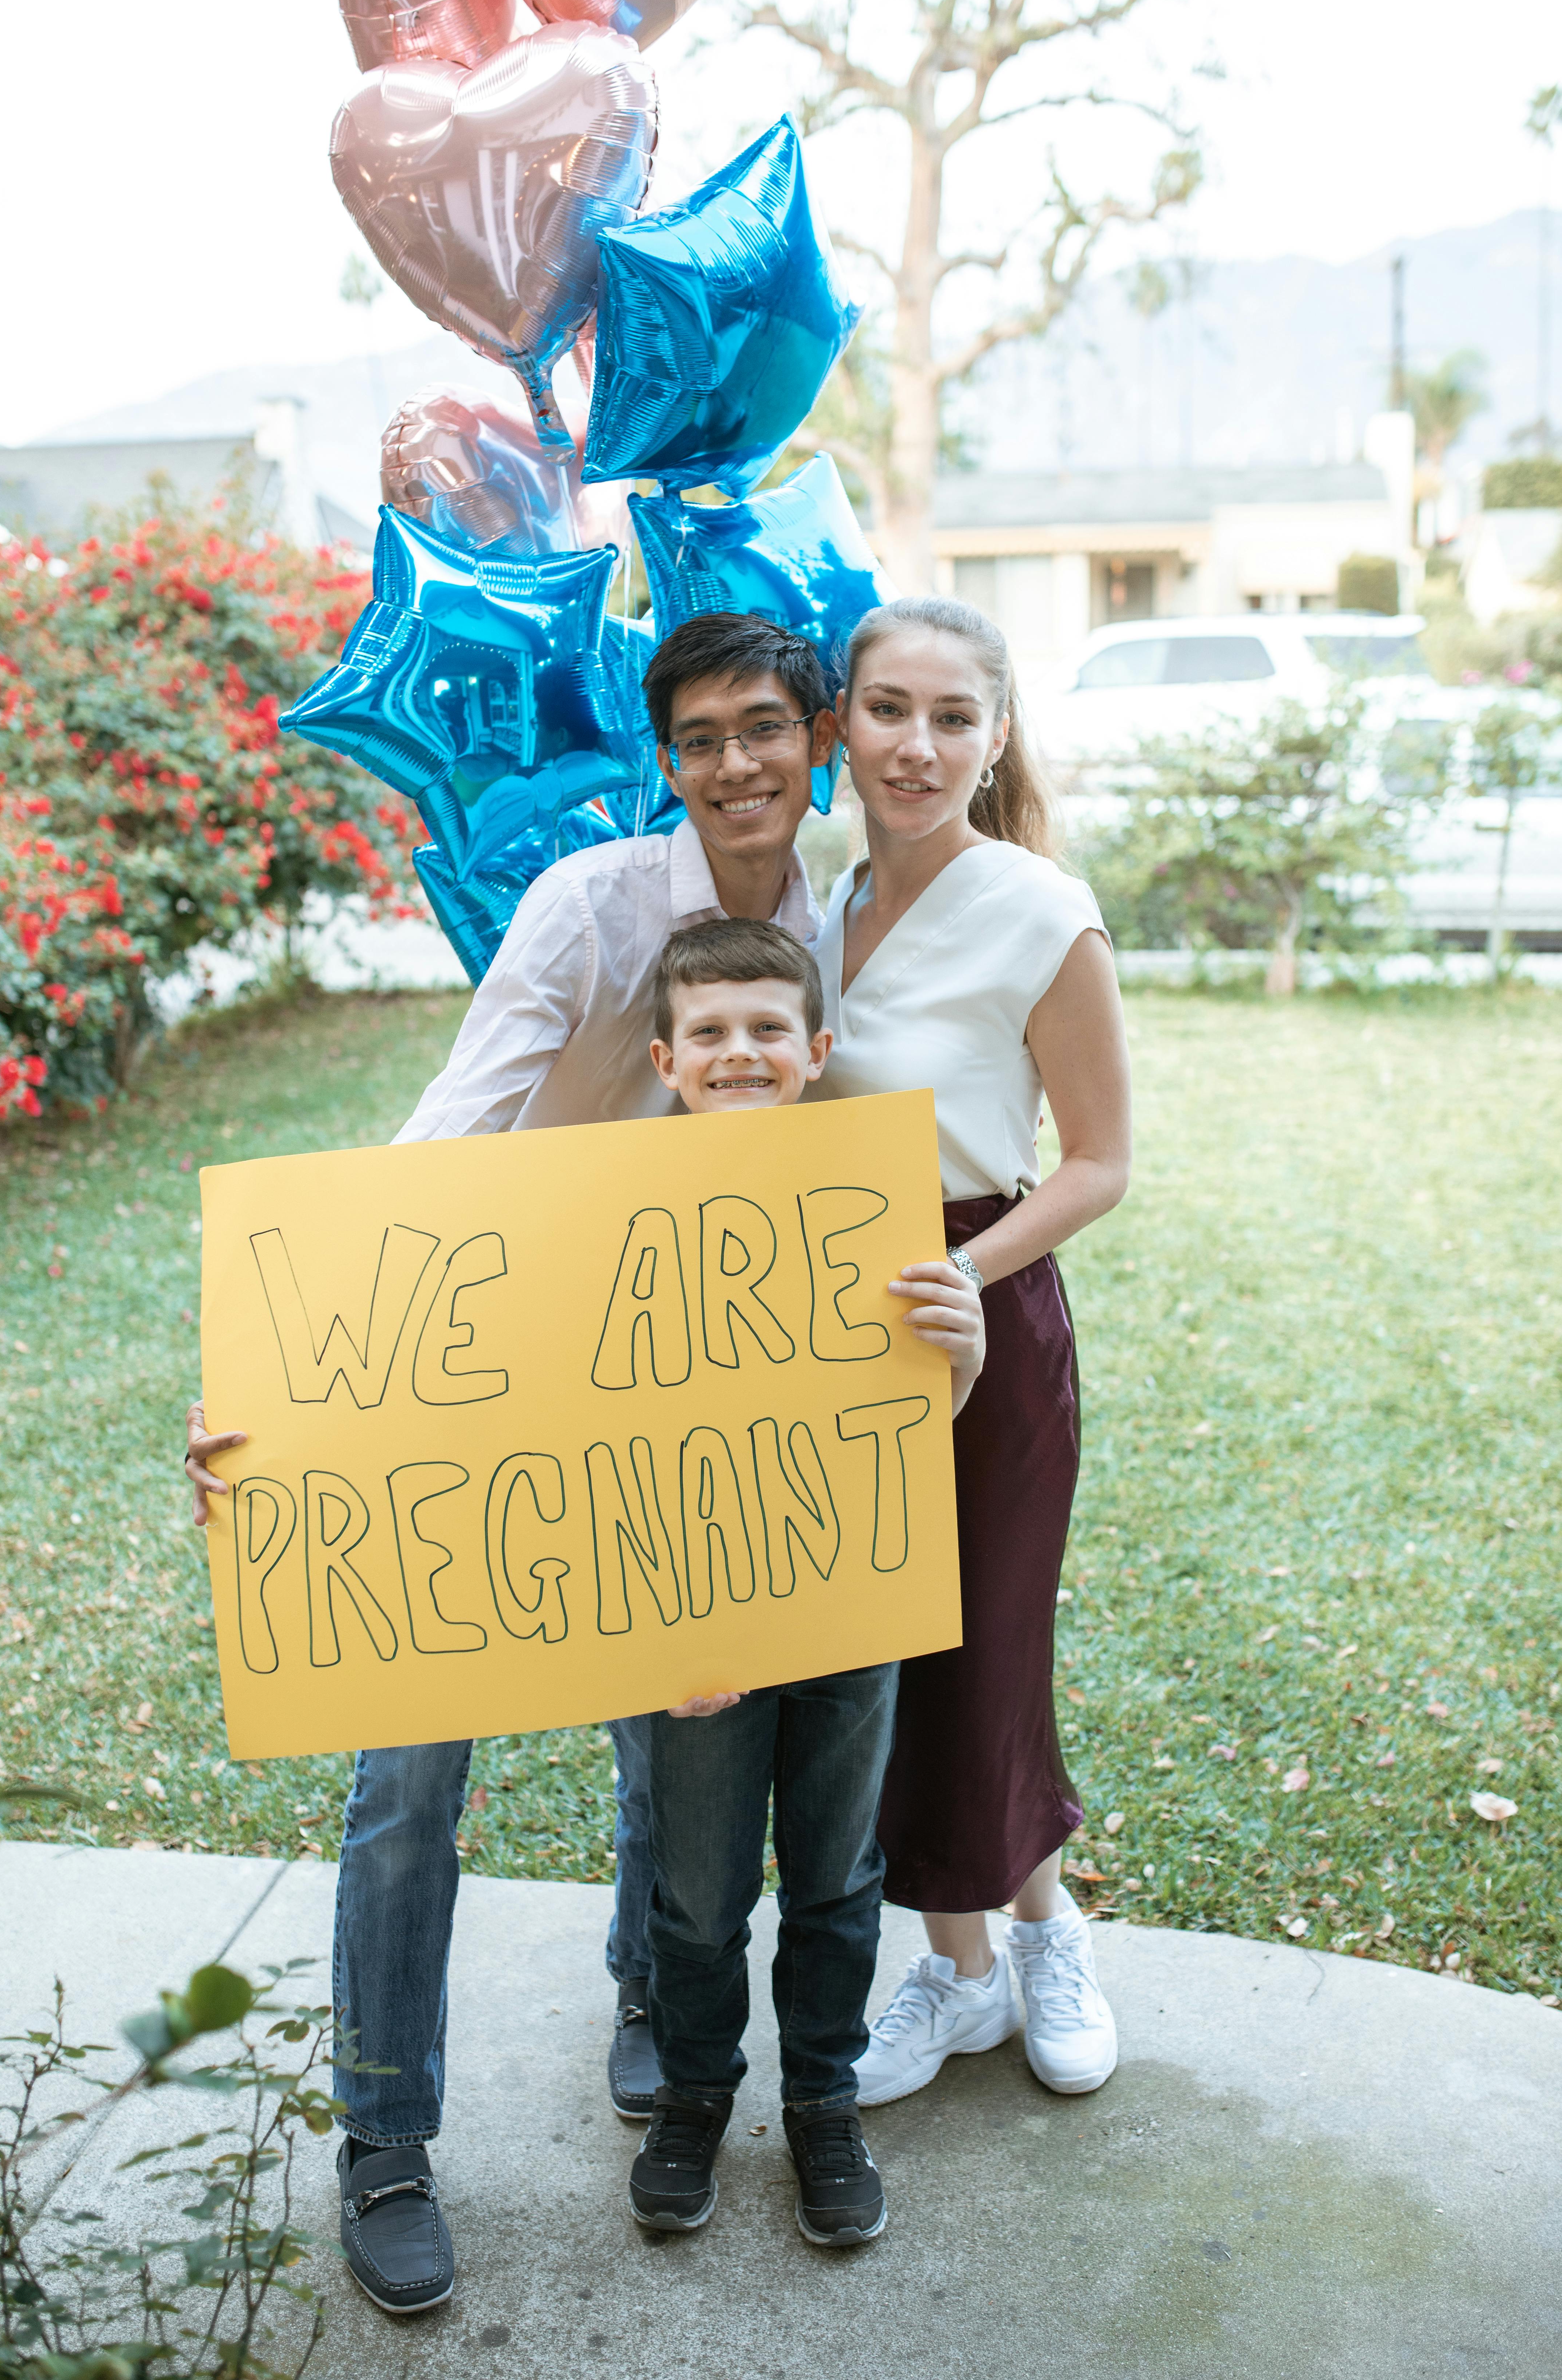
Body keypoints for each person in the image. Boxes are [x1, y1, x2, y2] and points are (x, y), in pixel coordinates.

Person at [183, 612, 839, 2315]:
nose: (736, 767)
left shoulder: (848, 909)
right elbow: (453, 1126)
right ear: (668, 758)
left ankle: (642, 1990)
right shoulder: (590, 904)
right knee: (406, 1779)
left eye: (763, 729)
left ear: (811, 734)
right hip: (479, 1347)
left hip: (690, 1369)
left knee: (667, 1732)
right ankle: (384, 2139)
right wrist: (293, 1373)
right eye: (699, 738)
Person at [801, 595, 1133, 2111]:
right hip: (818, 1323)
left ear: (996, 734)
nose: (916, 745)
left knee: (987, 1643)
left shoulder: (1038, 908)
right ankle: (956, 1974)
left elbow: (1099, 1163)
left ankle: (1046, 1931)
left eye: (951, 717)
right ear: (840, 726)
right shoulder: (814, 900)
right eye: (887, 710)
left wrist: (963, 1268)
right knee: (882, 1656)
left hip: (977, 1306)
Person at [626, 917, 985, 2247]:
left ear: (817, 1049)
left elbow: (922, 1409)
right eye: (710, 1033)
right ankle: (695, 2099)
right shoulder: (611, 1211)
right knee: (702, 1889)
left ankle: (823, 2101)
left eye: (769, 1028)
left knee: (836, 1873)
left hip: (847, 1600)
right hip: (694, 1618)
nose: (740, 1052)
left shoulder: (870, 1201)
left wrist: (963, 1340)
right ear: (666, 1057)